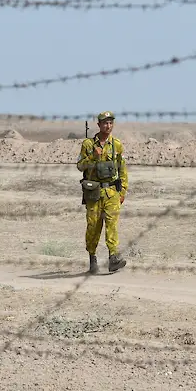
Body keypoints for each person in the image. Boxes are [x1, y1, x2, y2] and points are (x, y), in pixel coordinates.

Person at [77, 111, 129, 274]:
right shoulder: (88, 144)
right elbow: (80, 166)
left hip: (112, 192)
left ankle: (113, 258)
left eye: (111, 123)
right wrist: (93, 156)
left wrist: (123, 191)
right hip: (94, 192)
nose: (108, 126)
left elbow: (122, 169)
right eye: (105, 123)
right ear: (98, 125)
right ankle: (92, 257)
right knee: (93, 226)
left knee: (112, 226)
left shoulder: (117, 145)